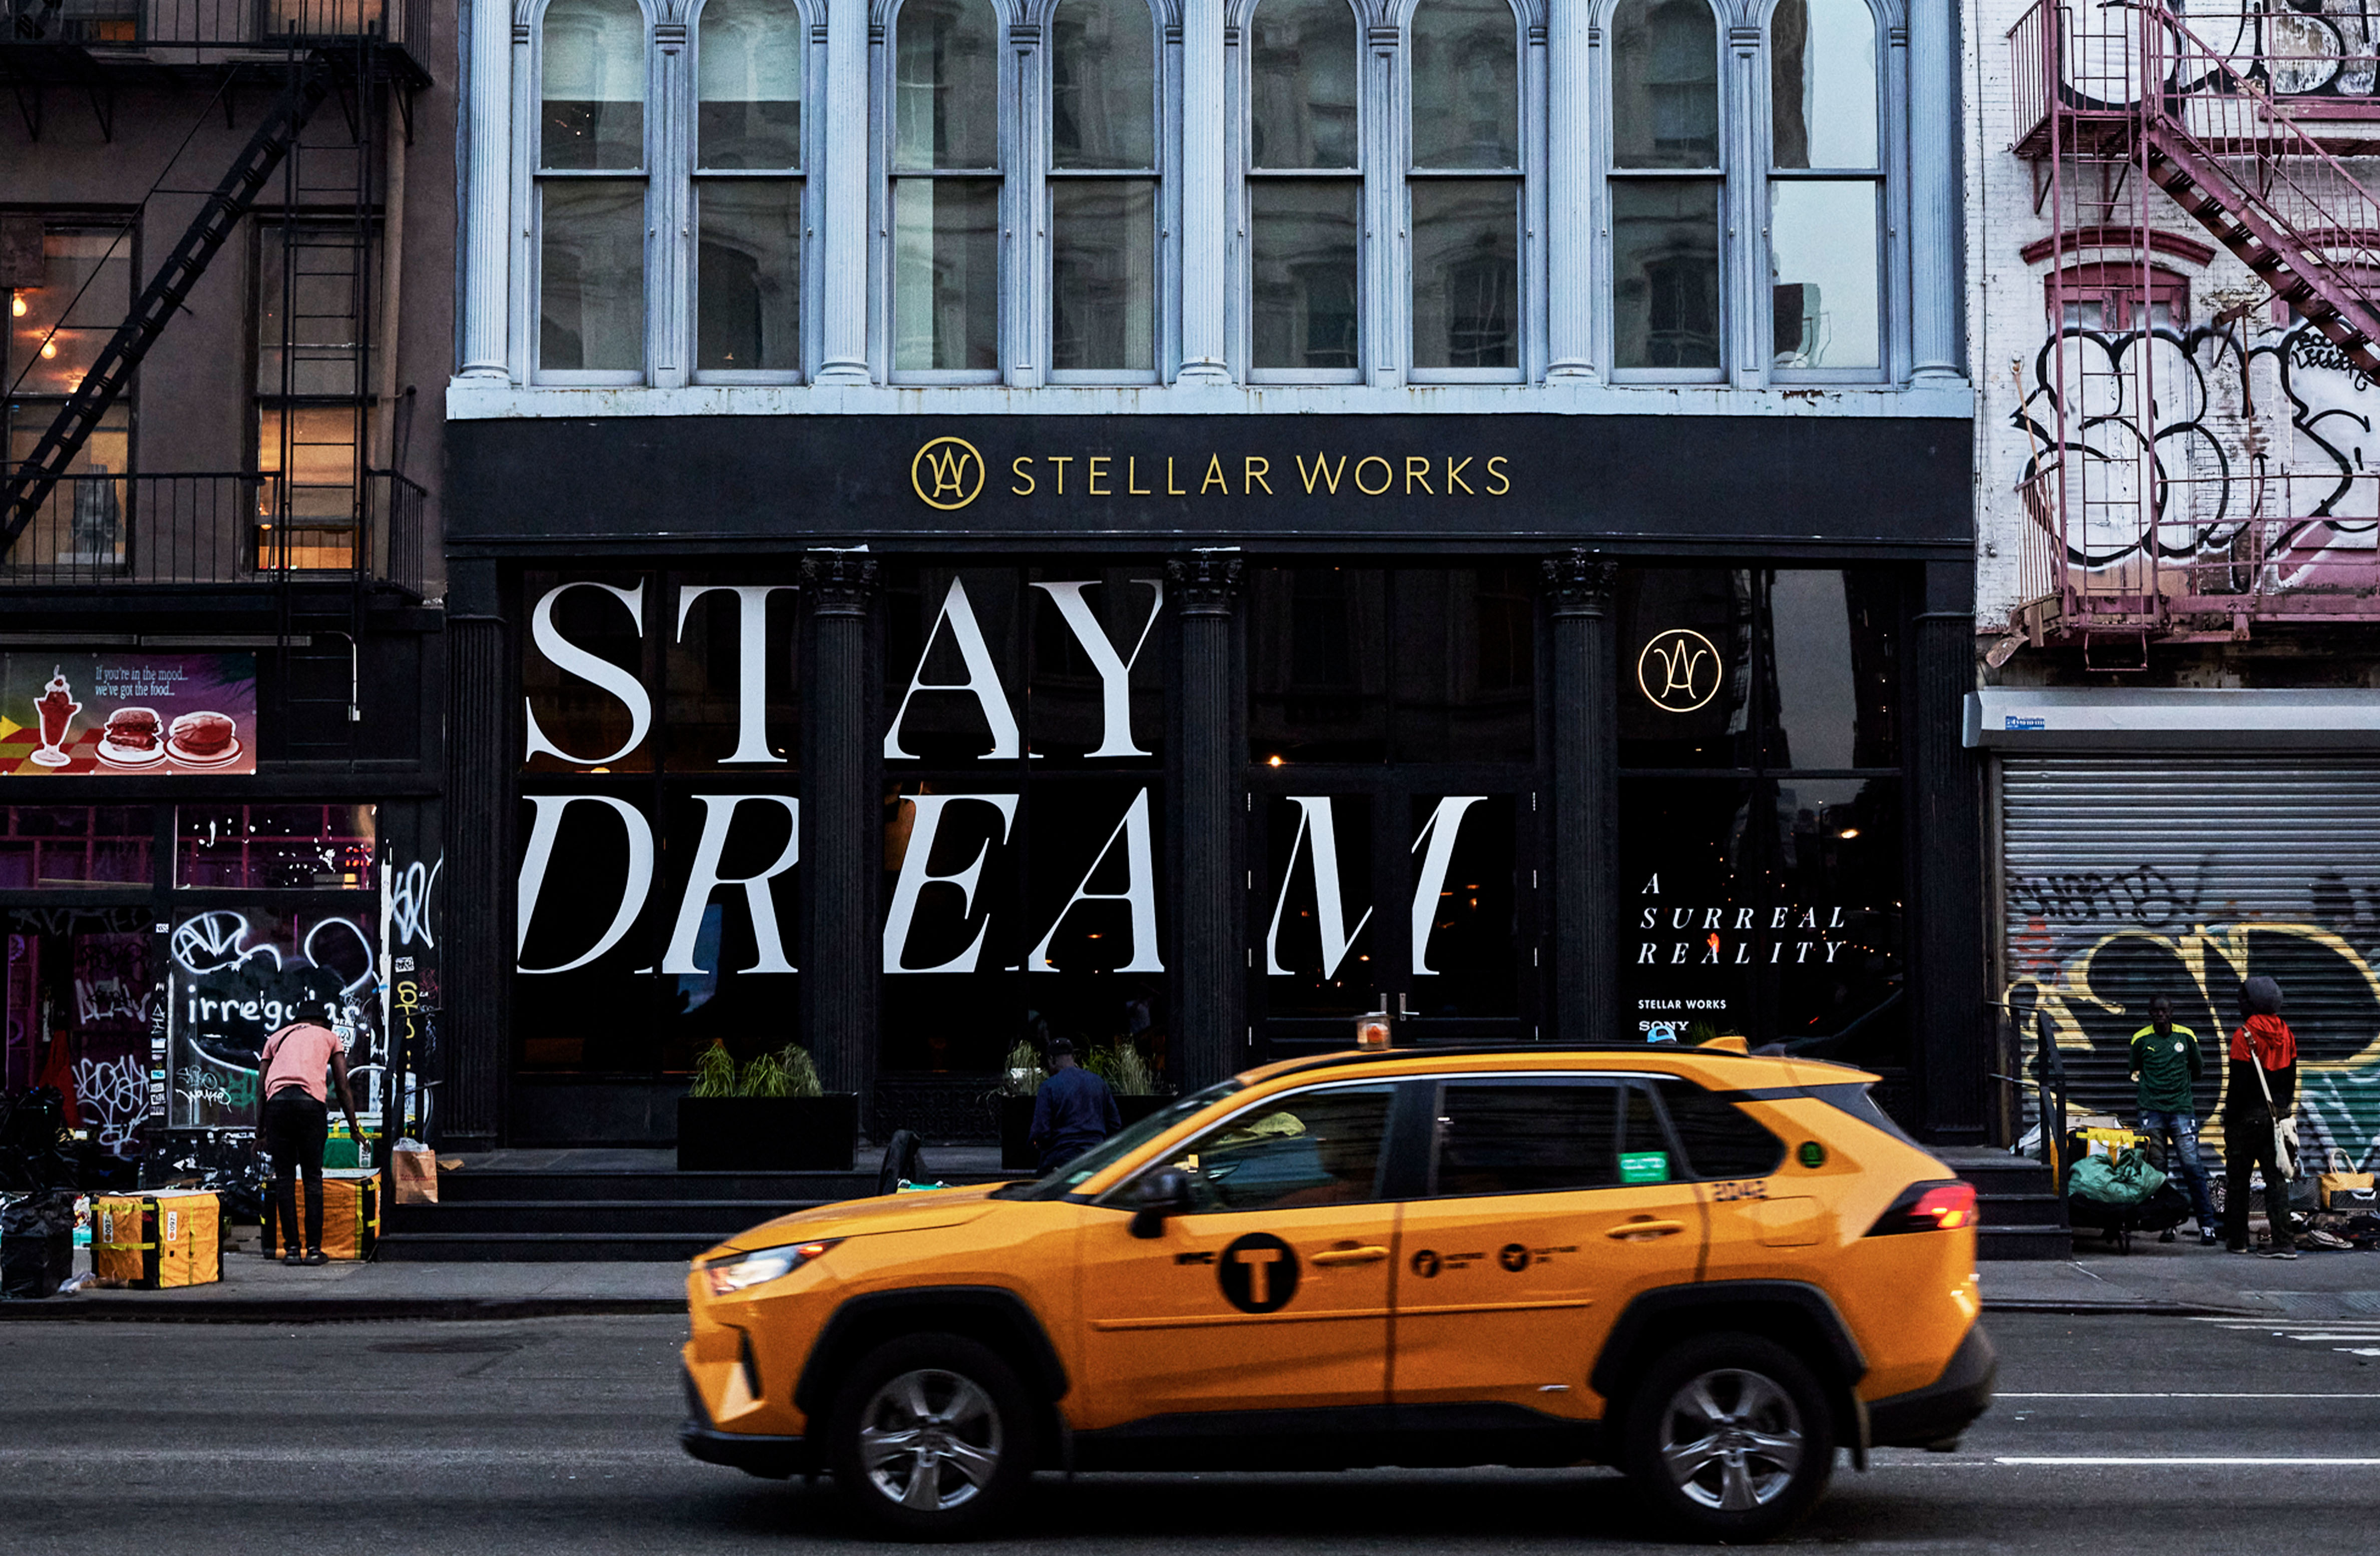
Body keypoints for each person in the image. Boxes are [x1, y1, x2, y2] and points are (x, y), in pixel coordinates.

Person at [259, 1018, 366, 1267]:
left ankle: (292, 1251)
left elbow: (262, 1088)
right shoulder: (330, 1037)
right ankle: (315, 1251)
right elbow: (342, 1086)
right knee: (312, 1179)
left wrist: (259, 1132)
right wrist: (354, 1129)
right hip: (310, 1107)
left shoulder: (275, 1038)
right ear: (321, 1022)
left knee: (284, 1179)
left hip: (277, 1107)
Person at [2222, 976, 2300, 1260]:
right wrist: (2282, 1110)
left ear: (2253, 1003)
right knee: (2276, 1180)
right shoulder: (2287, 1033)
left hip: (2247, 1117)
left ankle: (2238, 1240)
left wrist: (2230, 1117)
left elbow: (2238, 1085)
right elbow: (2290, 1079)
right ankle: (2284, 1242)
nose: (2239, 1004)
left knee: (2238, 1180)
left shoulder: (2244, 1035)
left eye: (2243, 999)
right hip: (2277, 1116)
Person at [2131, 995, 2217, 1245]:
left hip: (2181, 1110)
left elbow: (2198, 1069)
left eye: (2164, 1011)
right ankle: (2167, 1225)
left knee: (2192, 1168)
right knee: (2158, 1171)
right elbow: (2135, 1068)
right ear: (2150, 1013)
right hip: (2151, 1111)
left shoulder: (2186, 1037)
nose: (2160, 1015)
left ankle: (2207, 1225)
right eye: (2156, 1011)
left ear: (2172, 1012)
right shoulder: (2140, 1039)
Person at [1029, 1038, 1121, 1175]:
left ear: (1051, 1060)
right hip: (1096, 1154)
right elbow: (1115, 1124)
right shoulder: (1098, 1082)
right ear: (1073, 1057)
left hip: (1062, 1157)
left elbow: (1041, 1132)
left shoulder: (1048, 1087)